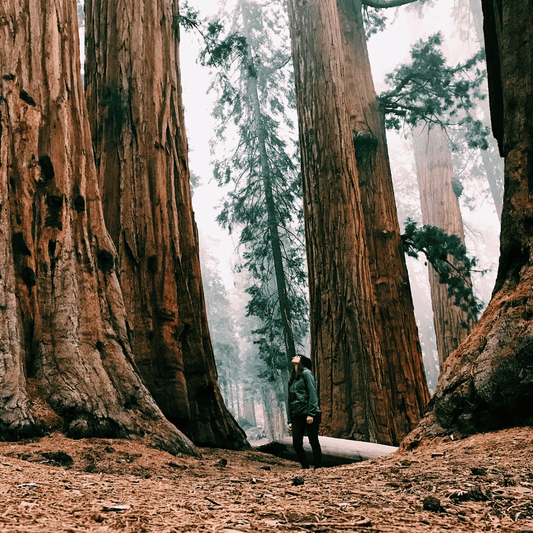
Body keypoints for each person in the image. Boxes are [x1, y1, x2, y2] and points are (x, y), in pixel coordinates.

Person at [287, 353, 322, 469]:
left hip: (309, 413)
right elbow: (290, 399)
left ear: (302, 360)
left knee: (313, 441)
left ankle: (318, 467)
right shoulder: (293, 376)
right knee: (296, 444)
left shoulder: (307, 373)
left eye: (297, 356)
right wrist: (289, 420)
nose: (294, 357)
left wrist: (311, 413)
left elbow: (312, 393)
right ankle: (305, 467)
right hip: (296, 415)